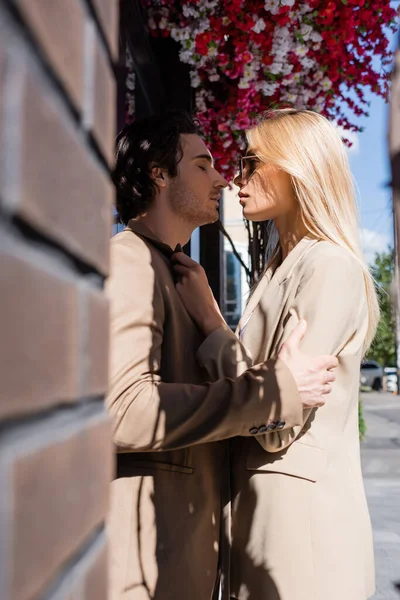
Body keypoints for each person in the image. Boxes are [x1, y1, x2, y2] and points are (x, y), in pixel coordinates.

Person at [105, 111, 338, 600]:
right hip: (143, 570)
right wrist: (272, 392)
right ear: (159, 174)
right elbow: (123, 410)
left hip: (183, 562)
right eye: (203, 164)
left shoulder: (178, 273)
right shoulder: (128, 259)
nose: (222, 178)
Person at [172, 108, 378, 600]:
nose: (235, 179)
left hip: (301, 543)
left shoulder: (327, 266)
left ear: (296, 166)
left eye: (250, 163)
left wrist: (210, 321)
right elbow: (269, 389)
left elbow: (278, 420)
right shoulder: (284, 267)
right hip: (266, 525)